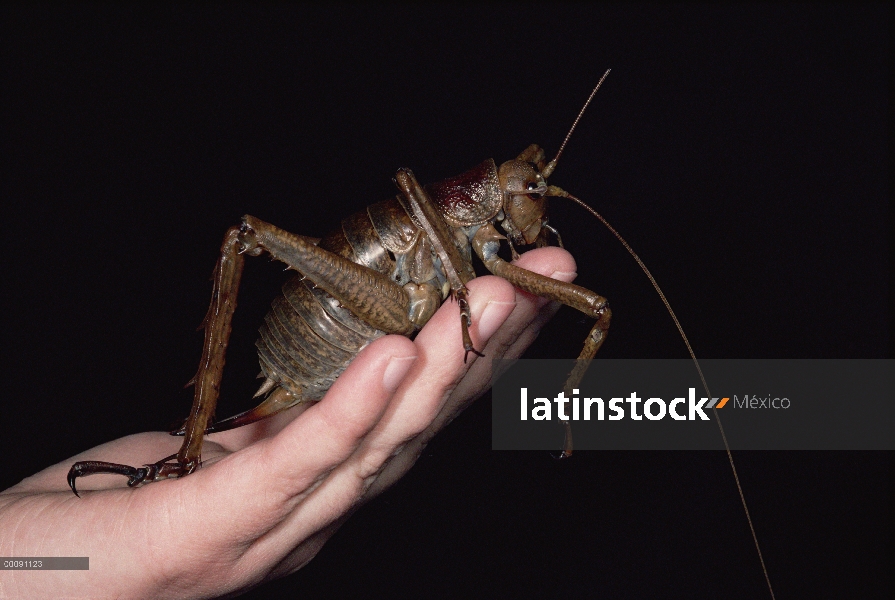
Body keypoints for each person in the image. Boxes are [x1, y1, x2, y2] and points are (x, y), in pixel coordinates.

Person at [0, 248, 578, 598]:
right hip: (332, 326)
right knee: (247, 234)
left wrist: (26, 566)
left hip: (380, 307)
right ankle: (188, 448)